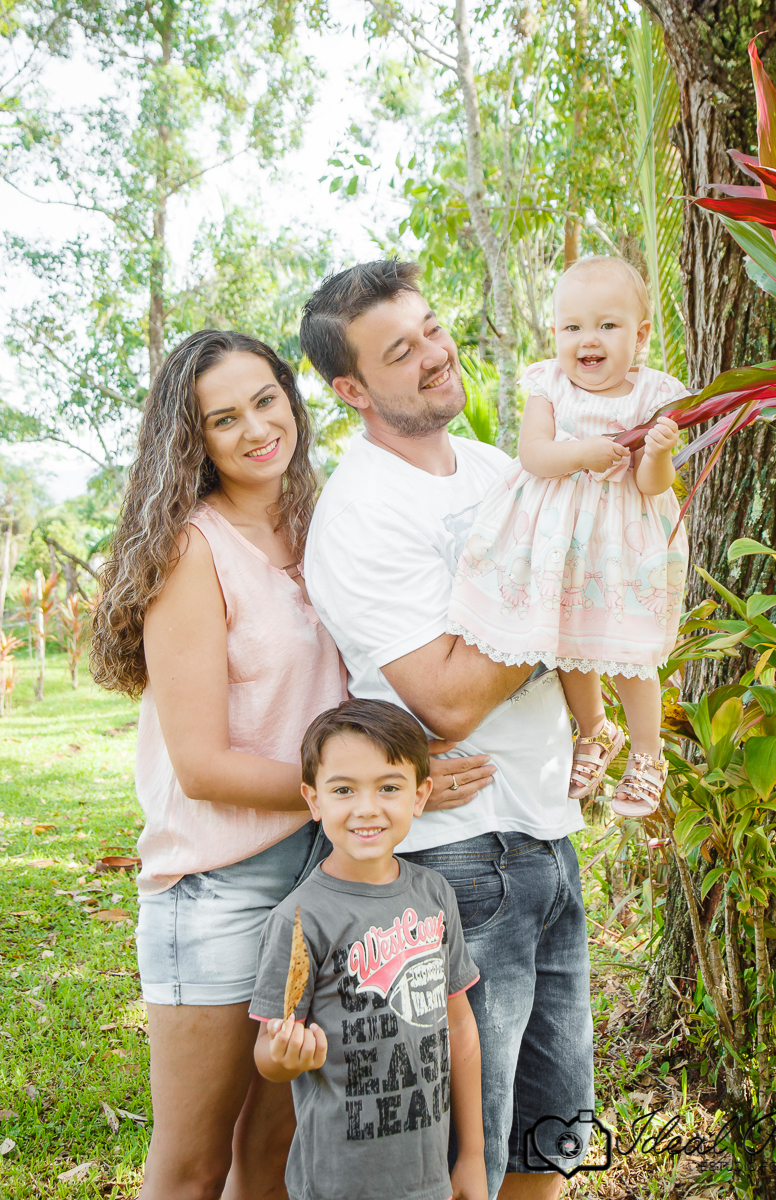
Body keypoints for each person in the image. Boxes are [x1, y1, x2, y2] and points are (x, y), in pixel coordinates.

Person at [89, 330, 490, 1200]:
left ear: (293, 398)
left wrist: (385, 783)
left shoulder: (316, 525)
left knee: (272, 1148)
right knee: (194, 1162)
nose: (254, 428)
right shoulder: (191, 551)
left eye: (265, 400)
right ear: (190, 441)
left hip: (323, 877)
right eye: (221, 418)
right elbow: (200, 766)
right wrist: (360, 795)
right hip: (218, 886)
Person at [300, 260, 594, 1200]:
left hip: (544, 833)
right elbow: (451, 700)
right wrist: (566, 595)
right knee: (460, 1151)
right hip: (463, 864)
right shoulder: (360, 515)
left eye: (431, 327)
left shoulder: (491, 465)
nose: (435, 354)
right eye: (401, 350)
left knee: (546, 1138)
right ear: (351, 390)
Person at [448, 256, 689, 818]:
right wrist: (582, 452)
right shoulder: (548, 384)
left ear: (641, 334)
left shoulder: (653, 394)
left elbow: (655, 486)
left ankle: (649, 754)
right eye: (573, 327)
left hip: (622, 541)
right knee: (567, 639)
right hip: (559, 540)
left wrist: (656, 455)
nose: (589, 340)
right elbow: (534, 454)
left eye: (608, 325)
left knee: (628, 651)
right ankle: (595, 729)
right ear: (555, 334)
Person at [250, 699, 488, 1200]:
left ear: (419, 795)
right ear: (314, 800)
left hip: (428, 1178)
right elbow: (267, 1053)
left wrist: (471, 1155)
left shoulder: (434, 894)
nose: (366, 808)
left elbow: (460, 1027)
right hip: (338, 1182)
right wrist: (286, 1057)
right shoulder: (299, 920)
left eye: (388, 787)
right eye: (342, 790)